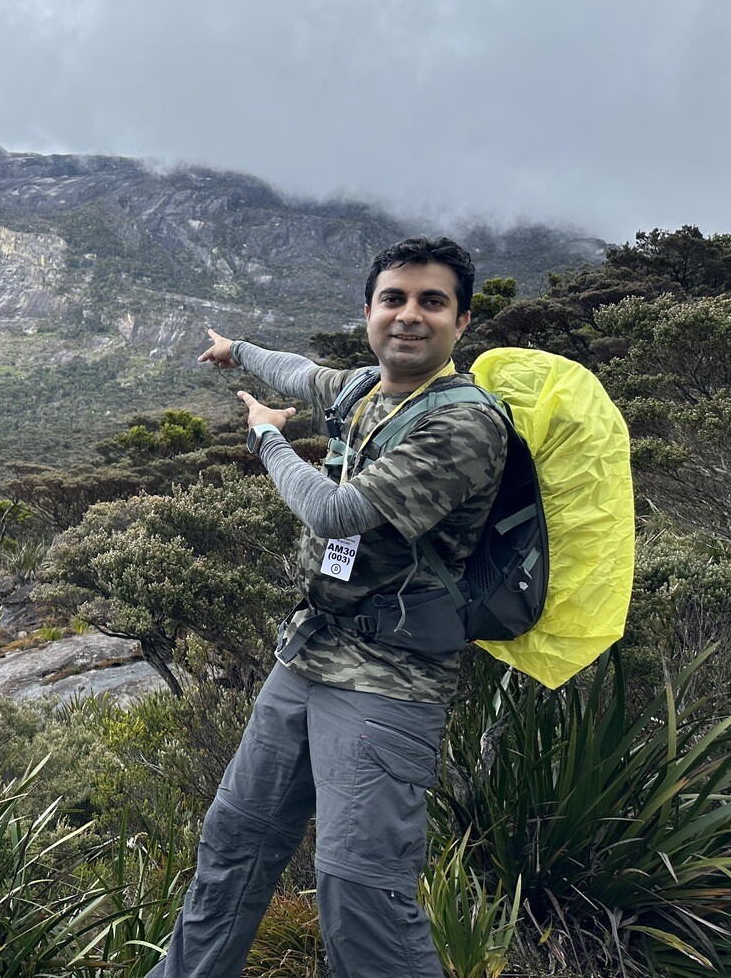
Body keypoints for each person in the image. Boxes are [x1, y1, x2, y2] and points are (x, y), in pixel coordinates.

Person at [149, 236, 508, 978]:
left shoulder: (465, 423)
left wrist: (266, 441)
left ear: (462, 322)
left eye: (431, 301)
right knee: (233, 844)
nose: (409, 315)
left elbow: (337, 514)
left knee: (360, 890)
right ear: (370, 312)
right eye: (393, 299)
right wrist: (236, 349)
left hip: (390, 677)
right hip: (309, 654)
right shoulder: (365, 390)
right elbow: (300, 373)